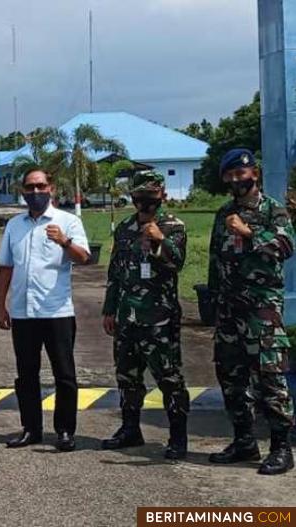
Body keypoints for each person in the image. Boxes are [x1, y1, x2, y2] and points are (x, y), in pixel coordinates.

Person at [207, 148, 295, 475]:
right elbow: (215, 261)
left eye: (240, 174)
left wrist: (249, 233)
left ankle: (281, 447)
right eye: (229, 175)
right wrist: (212, 300)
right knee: (231, 377)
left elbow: (286, 246)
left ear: (254, 174)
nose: (234, 180)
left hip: (262, 310)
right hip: (229, 310)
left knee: (270, 378)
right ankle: (244, 441)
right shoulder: (224, 212)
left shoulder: (274, 210)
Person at [0, 168, 90, 452]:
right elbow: (7, 267)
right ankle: (31, 428)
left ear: (51, 187)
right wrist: (0, 304)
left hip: (57, 310)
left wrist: (64, 241)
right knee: (26, 374)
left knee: (64, 374)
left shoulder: (67, 222)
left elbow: (84, 258)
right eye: (30, 187)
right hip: (24, 312)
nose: (35, 192)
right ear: (23, 191)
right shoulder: (15, 225)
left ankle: (64, 431)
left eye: (40, 186)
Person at [100, 171, 190, 459]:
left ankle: (177, 437)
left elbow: (177, 263)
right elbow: (115, 272)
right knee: (127, 376)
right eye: (140, 196)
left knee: (169, 378)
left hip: (159, 317)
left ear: (161, 195)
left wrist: (160, 240)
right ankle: (130, 429)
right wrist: (109, 309)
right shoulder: (125, 227)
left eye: (151, 196)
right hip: (128, 316)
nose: (145, 201)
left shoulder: (173, 225)